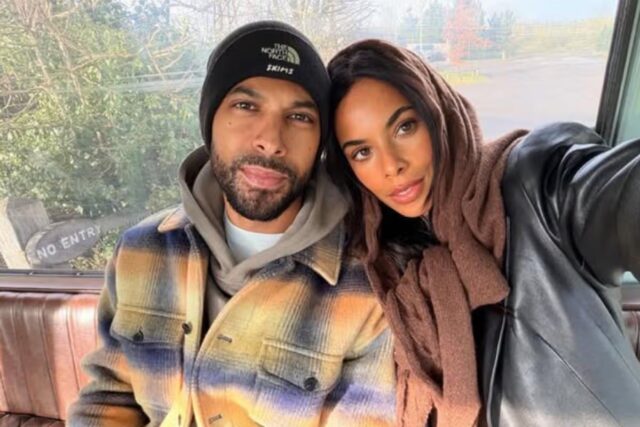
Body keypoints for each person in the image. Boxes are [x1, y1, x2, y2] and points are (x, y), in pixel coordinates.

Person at [68, 22, 396, 427]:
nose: (271, 140)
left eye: (299, 116)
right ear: (210, 121)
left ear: (320, 144)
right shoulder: (140, 250)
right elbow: (109, 396)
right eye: (246, 106)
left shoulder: (366, 286)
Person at [326, 39, 640, 427]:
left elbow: (620, 197)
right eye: (362, 152)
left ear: (438, 112)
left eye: (405, 127)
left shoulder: (537, 189)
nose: (391, 166)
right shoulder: (385, 267)